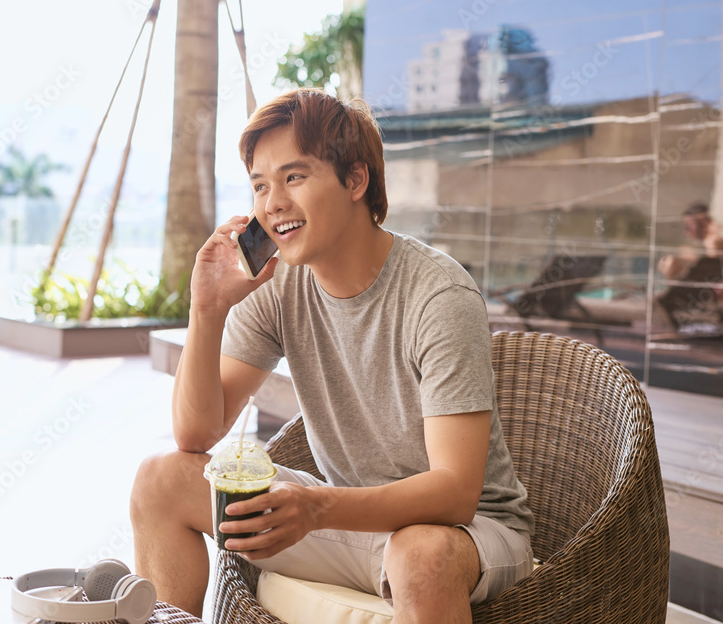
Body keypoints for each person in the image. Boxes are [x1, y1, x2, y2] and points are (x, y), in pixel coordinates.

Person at [131, 89, 534, 623]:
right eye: (260, 185)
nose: (272, 203)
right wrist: (206, 310)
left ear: (355, 181)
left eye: (293, 177)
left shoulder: (438, 296)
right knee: (160, 481)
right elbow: (196, 436)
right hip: (354, 524)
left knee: (419, 555)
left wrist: (317, 508)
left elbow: (456, 492)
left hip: (467, 533)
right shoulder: (279, 285)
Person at [658, 202, 723, 298]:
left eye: (688, 225)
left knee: (671, 262)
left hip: (720, 291)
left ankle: (671, 297)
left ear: (701, 221)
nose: (686, 231)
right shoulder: (715, 240)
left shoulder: (713, 242)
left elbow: (710, 273)